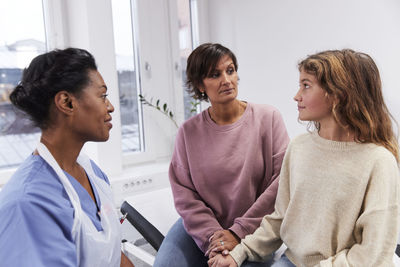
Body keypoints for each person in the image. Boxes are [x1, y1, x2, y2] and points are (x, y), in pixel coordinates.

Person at [208, 49, 400, 267]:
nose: (296, 95)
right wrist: (239, 253)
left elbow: (373, 252)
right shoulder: (298, 147)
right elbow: (279, 219)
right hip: (292, 261)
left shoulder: (379, 161)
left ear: (338, 94)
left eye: (306, 85)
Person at [153, 43, 290, 267]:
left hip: (255, 229)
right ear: (200, 84)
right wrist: (214, 237)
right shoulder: (188, 133)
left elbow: (281, 184)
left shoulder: (268, 118)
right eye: (215, 75)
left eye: (230, 70)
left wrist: (238, 232)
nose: (226, 80)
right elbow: (185, 195)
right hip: (204, 228)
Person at [0, 48, 134, 267]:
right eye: (102, 96)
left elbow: (112, 255)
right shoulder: (28, 203)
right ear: (67, 102)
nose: (110, 107)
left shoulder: (93, 174)